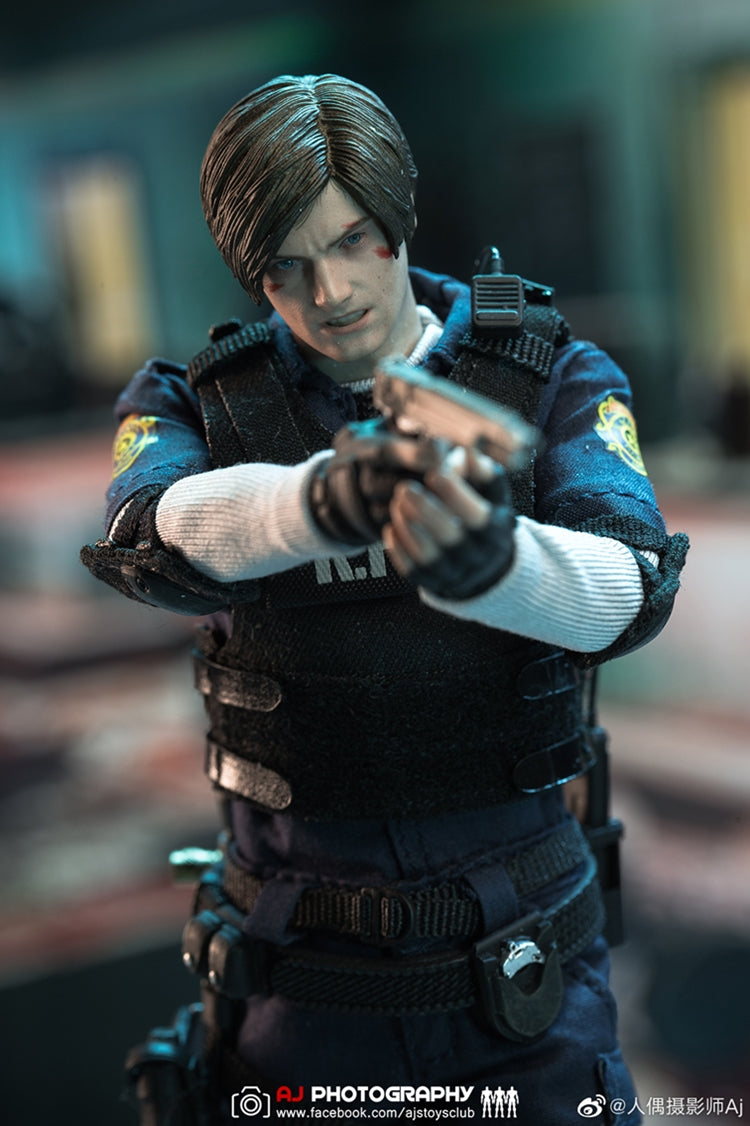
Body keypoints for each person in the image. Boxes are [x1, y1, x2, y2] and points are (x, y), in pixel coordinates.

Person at [82, 74, 688, 1125]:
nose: (329, 292)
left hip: (519, 964)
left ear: (397, 218)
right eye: (285, 266)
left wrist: (494, 564)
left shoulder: (550, 369)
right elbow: (153, 531)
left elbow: (629, 587)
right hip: (300, 972)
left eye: (353, 239)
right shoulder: (196, 402)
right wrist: (316, 503)